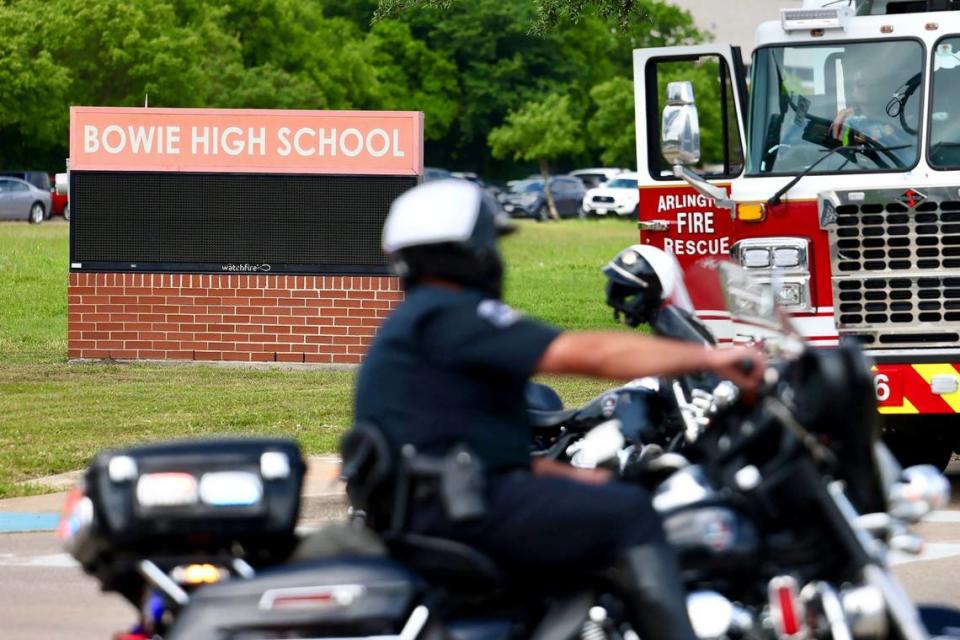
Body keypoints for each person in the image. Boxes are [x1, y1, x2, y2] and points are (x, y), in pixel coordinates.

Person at [351, 179, 765, 640]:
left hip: (441, 505)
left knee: (613, 499)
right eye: (488, 243)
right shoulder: (449, 315)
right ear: (465, 251)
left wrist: (580, 479)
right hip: (456, 513)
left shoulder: (421, 323)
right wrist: (712, 359)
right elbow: (587, 354)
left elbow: (479, 453)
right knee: (631, 514)